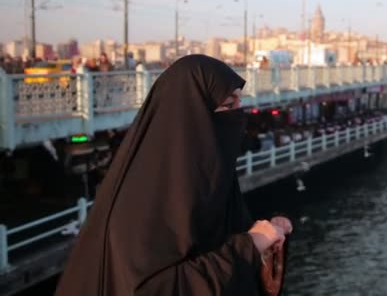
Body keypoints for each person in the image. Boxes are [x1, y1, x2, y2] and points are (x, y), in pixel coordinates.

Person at [55, 54, 292, 296]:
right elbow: (150, 288)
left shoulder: (213, 183)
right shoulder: (140, 200)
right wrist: (249, 246)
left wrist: (267, 239)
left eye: (239, 105)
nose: (238, 118)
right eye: (229, 106)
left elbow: (226, 250)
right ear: (192, 114)